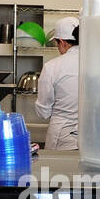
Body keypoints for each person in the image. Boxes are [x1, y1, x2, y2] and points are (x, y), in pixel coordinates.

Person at [34, 16, 80, 150]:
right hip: (90, 138)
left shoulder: (52, 66)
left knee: (58, 170)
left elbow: (44, 112)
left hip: (62, 139)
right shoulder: (95, 63)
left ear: (62, 42)